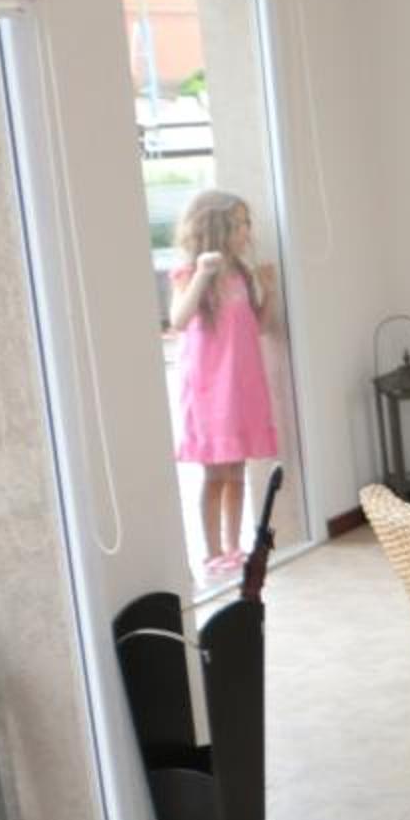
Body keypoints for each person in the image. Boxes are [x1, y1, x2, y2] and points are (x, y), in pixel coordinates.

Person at [167, 190, 280, 579]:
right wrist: (202, 274)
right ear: (216, 228)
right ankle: (212, 551)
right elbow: (179, 320)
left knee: (236, 472)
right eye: (239, 224)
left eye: (247, 223)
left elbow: (260, 326)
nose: (247, 231)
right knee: (214, 474)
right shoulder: (190, 274)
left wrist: (269, 290)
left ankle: (234, 547)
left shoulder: (241, 274)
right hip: (209, 390)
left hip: (241, 386)